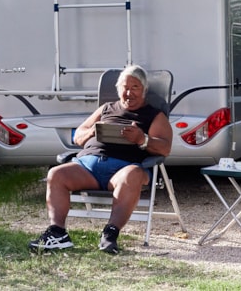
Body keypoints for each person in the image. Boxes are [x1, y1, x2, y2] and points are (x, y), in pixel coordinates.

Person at [28, 65, 173, 254]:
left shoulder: (154, 116)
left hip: (124, 168)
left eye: (135, 87)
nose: (129, 92)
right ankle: (57, 234)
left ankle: (110, 234)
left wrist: (142, 139)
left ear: (144, 90)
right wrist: (94, 131)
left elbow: (165, 148)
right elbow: (77, 137)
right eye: (124, 87)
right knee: (56, 174)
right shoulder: (106, 109)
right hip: (88, 166)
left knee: (132, 175)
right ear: (118, 89)